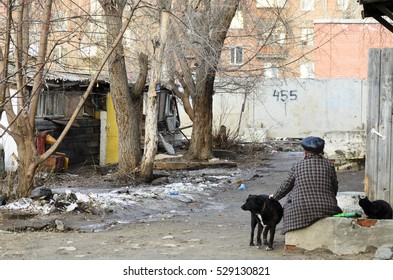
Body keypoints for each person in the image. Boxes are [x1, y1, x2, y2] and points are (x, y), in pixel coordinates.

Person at [269, 136, 342, 235]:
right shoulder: (329, 165)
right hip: (328, 208)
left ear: (305, 152)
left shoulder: (298, 165)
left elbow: (286, 186)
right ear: (321, 152)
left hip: (301, 210)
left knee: (288, 205)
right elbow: (334, 187)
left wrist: (275, 197)